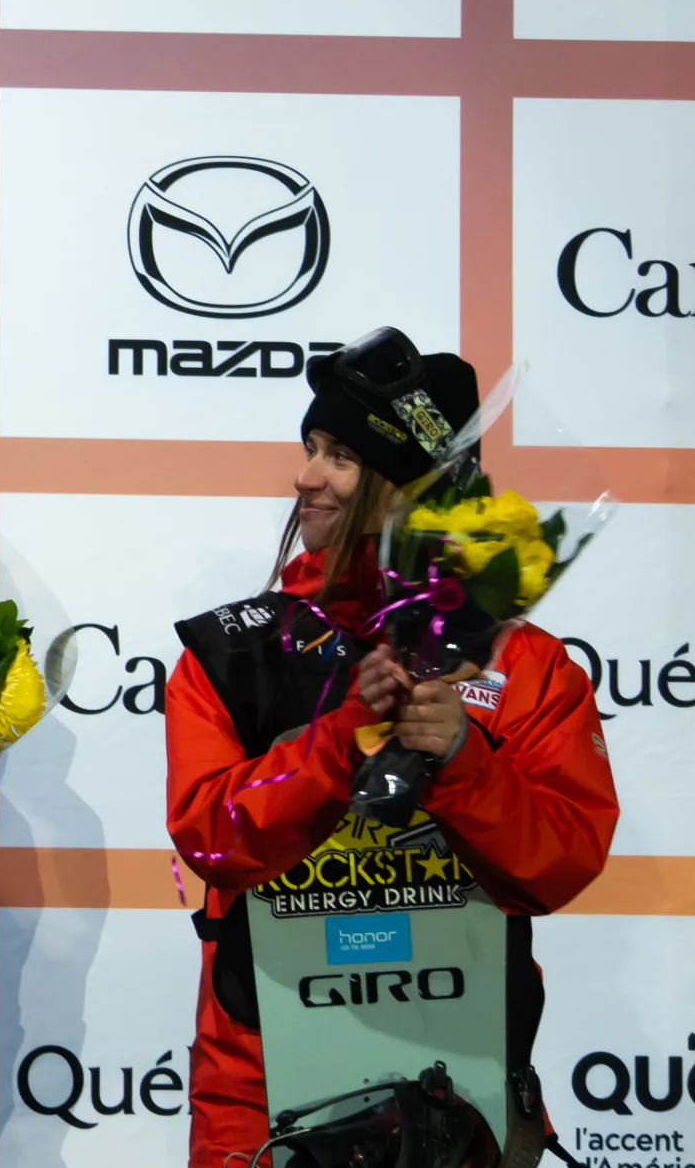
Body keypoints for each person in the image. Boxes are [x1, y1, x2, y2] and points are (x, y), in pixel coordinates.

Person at [164, 328, 618, 1168]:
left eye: (337, 455)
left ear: (410, 487)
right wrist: (345, 738)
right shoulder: (232, 656)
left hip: (465, 1095)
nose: (304, 475)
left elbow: (562, 861)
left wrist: (459, 761)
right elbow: (210, 837)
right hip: (264, 1100)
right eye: (308, 446)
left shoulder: (520, 663)